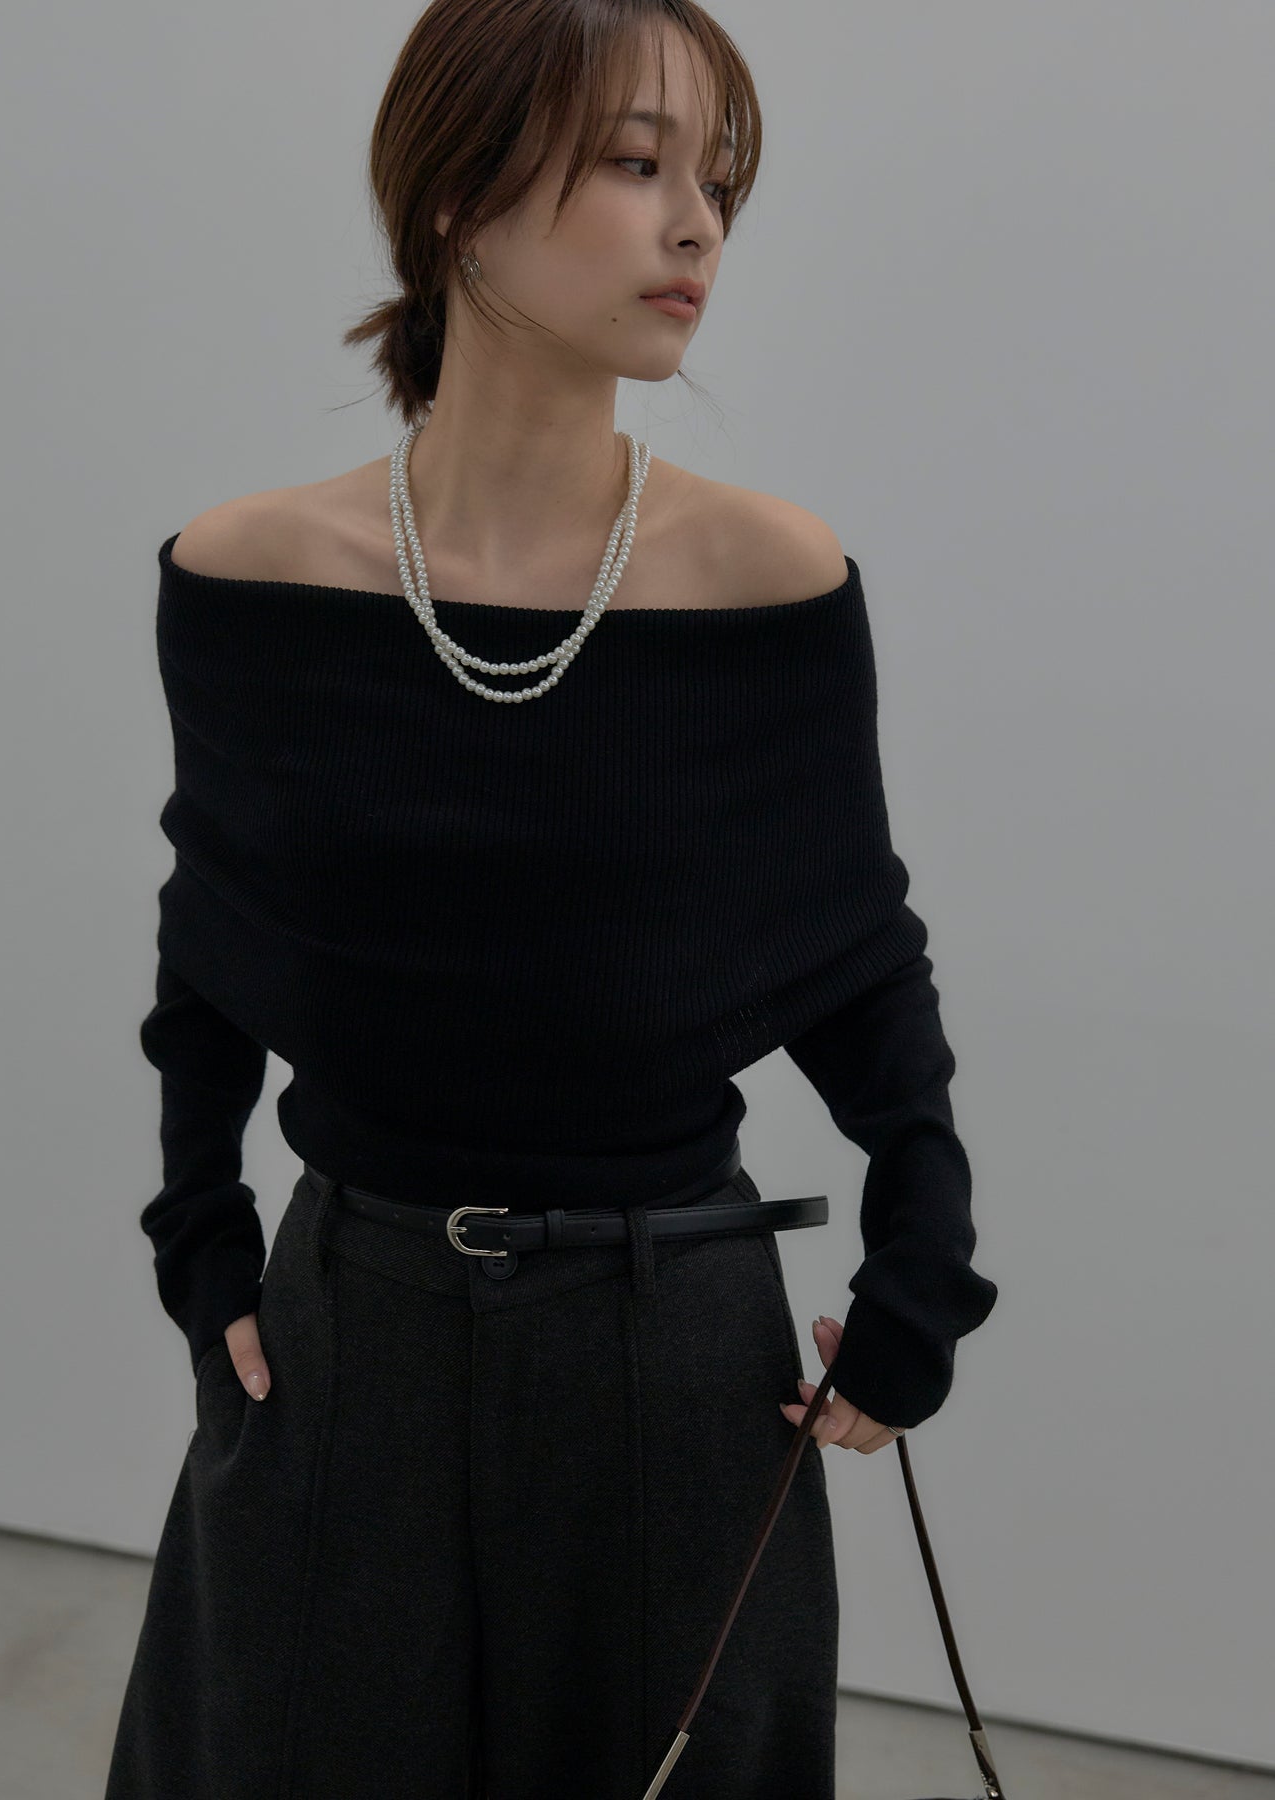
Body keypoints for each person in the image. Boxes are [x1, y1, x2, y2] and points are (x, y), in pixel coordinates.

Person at [105, 3, 998, 1796]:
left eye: (716, 182)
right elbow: (213, 943)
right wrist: (201, 1243)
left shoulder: (764, 579)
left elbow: (854, 954)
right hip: (347, 1327)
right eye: (635, 163)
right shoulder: (249, 574)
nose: (696, 227)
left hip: (667, 1346)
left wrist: (924, 1255)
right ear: (457, 192)